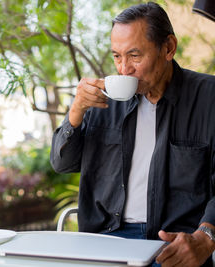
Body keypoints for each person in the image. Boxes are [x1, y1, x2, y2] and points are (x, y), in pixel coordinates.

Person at [50, 2, 215, 267]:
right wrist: (76, 112)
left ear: (168, 48)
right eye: (117, 56)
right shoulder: (102, 100)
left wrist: (205, 237)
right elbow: (62, 163)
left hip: (173, 243)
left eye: (135, 56)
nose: (124, 69)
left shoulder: (208, 97)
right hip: (105, 241)